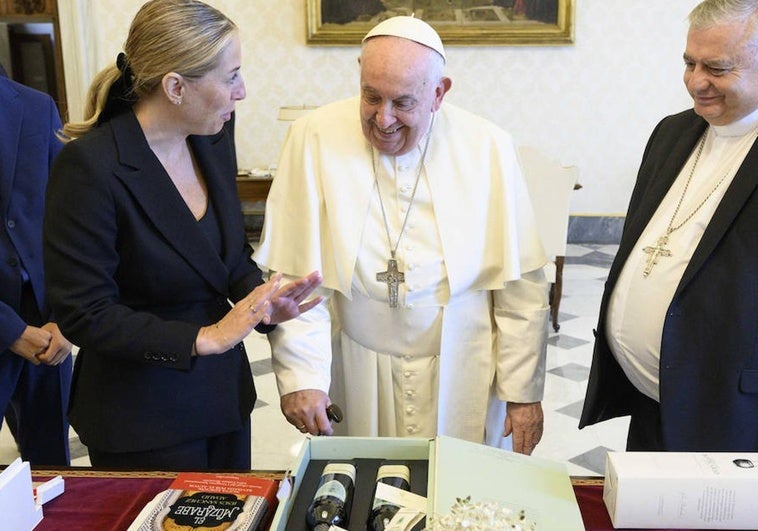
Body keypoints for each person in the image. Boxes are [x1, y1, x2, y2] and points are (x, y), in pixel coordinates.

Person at [42, 0, 322, 471]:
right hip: (140, 415)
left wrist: (261, 300)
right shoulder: (91, 166)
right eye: (231, 76)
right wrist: (203, 337)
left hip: (222, 400)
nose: (243, 92)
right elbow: (84, 313)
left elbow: (229, 258)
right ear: (175, 87)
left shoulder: (211, 138)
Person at [255, 16, 549, 454]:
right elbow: (299, 278)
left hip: (464, 366)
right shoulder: (313, 137)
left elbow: (519, 285)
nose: (383, 118)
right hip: (357, 364)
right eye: (370, 96)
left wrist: (523, 391)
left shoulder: (488, 146)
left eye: (403, 102)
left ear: (439, 93)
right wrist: (303, 377)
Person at [579, 0, 758, 452]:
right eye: (689, 62)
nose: (696, 82)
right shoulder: (672, 133)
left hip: (729, 415)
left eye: (716, 68)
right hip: (651, 402)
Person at [0, 74, 73, 466]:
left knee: (51, 469)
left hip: (47, 328)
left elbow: (69, 219)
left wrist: (65, 316)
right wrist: (9, 330)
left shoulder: (36, 107)